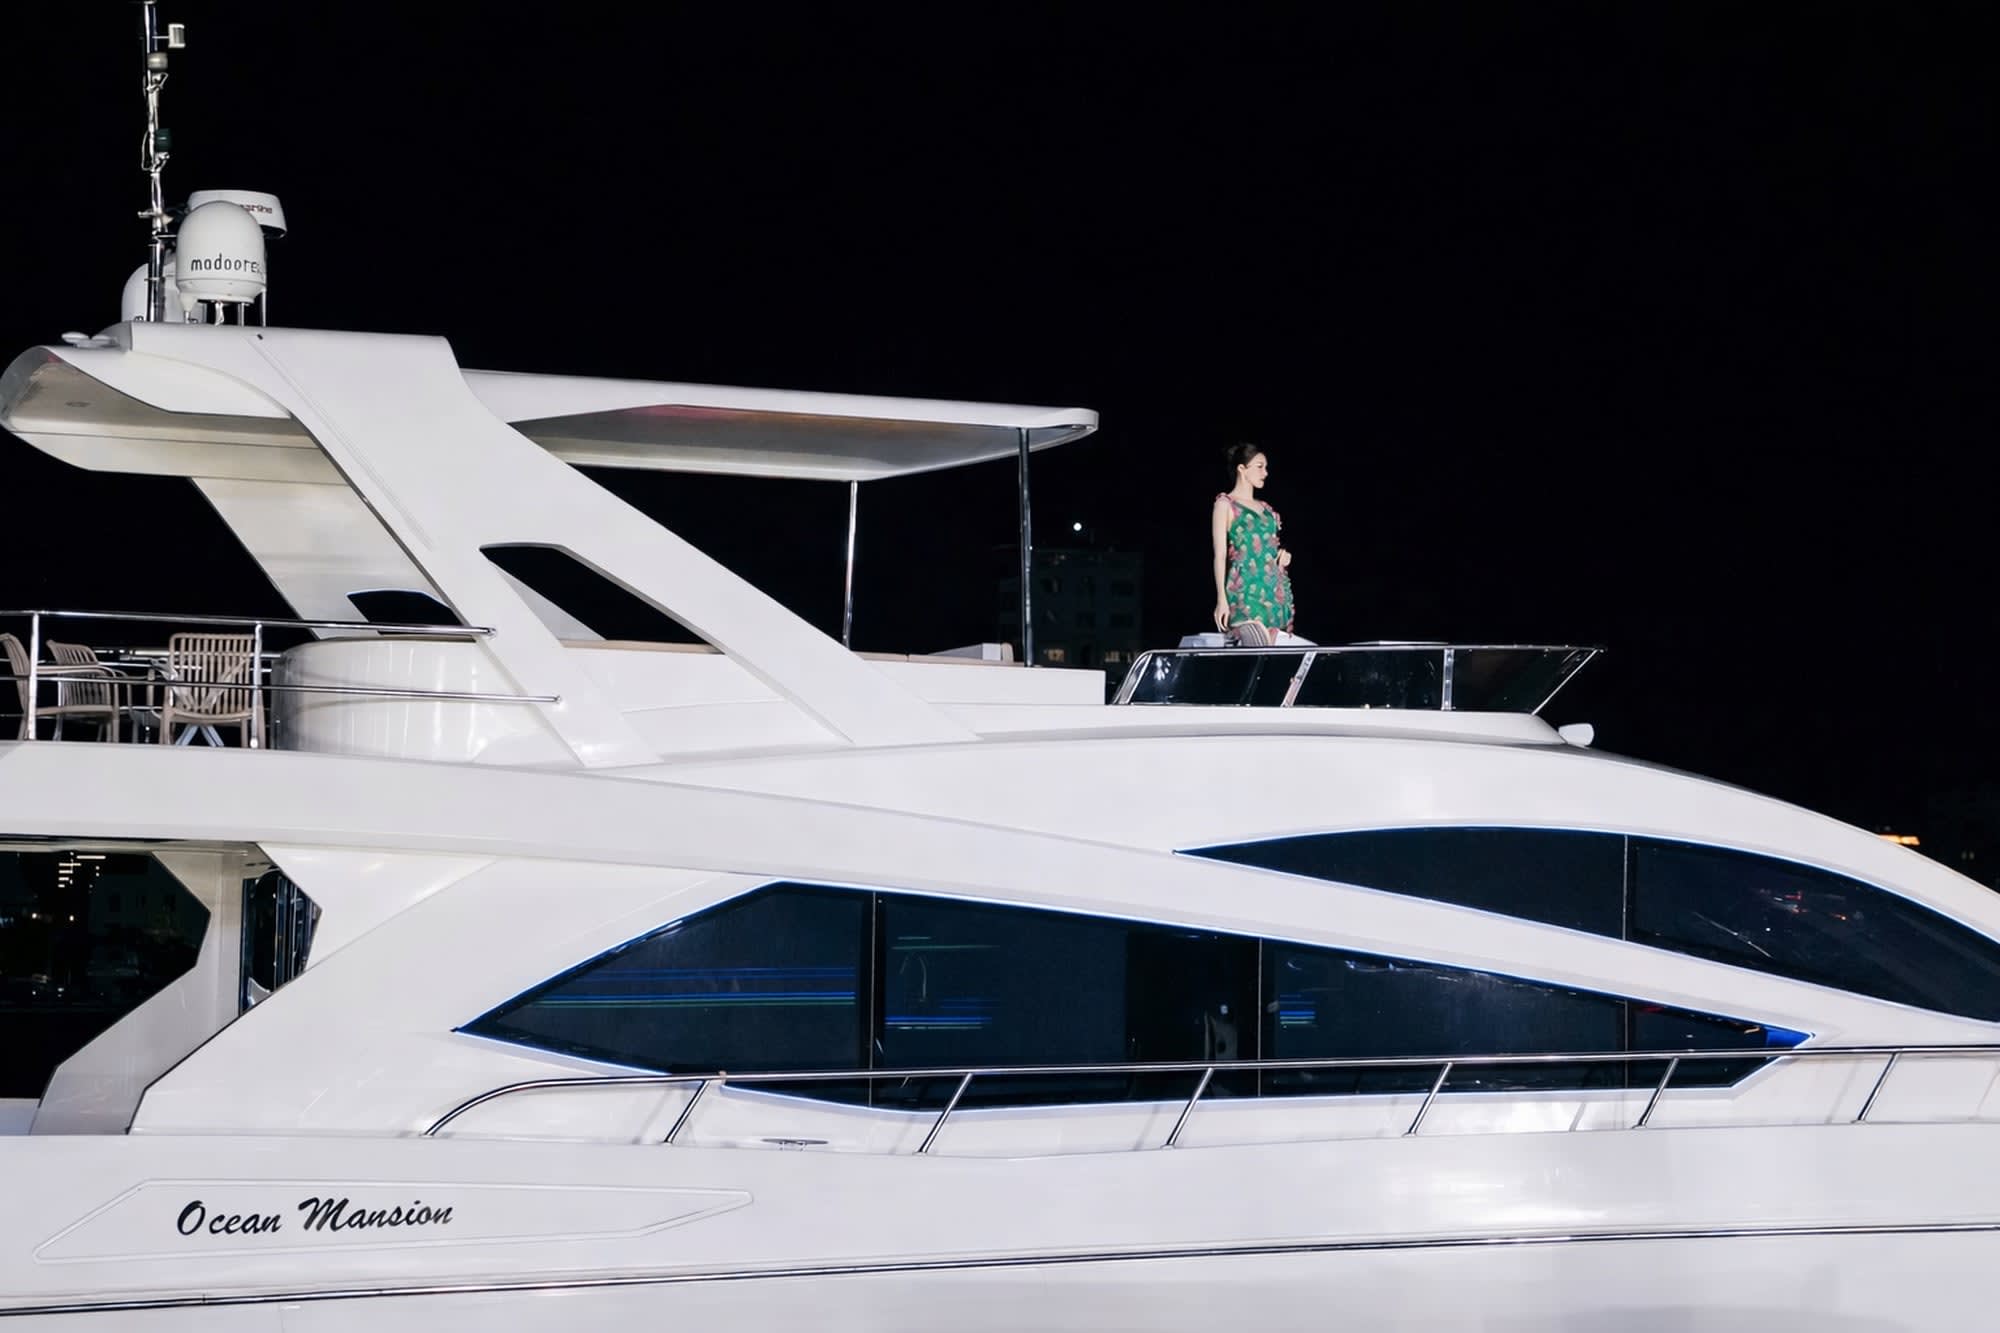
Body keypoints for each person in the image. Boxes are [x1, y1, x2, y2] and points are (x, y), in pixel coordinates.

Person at [1211, 443, 1294, 643]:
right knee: (1255, 642)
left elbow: (1268, 548)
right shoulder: (1226, 504)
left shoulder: (1266, 509)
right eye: (1259, 466)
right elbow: (1220, 555)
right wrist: (1221, 599)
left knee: (1274, 647)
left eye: (1265, 467)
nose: (1265, 473)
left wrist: (1282, 557)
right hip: (1245, 592)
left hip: (1272, 590)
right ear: (1242, 468)